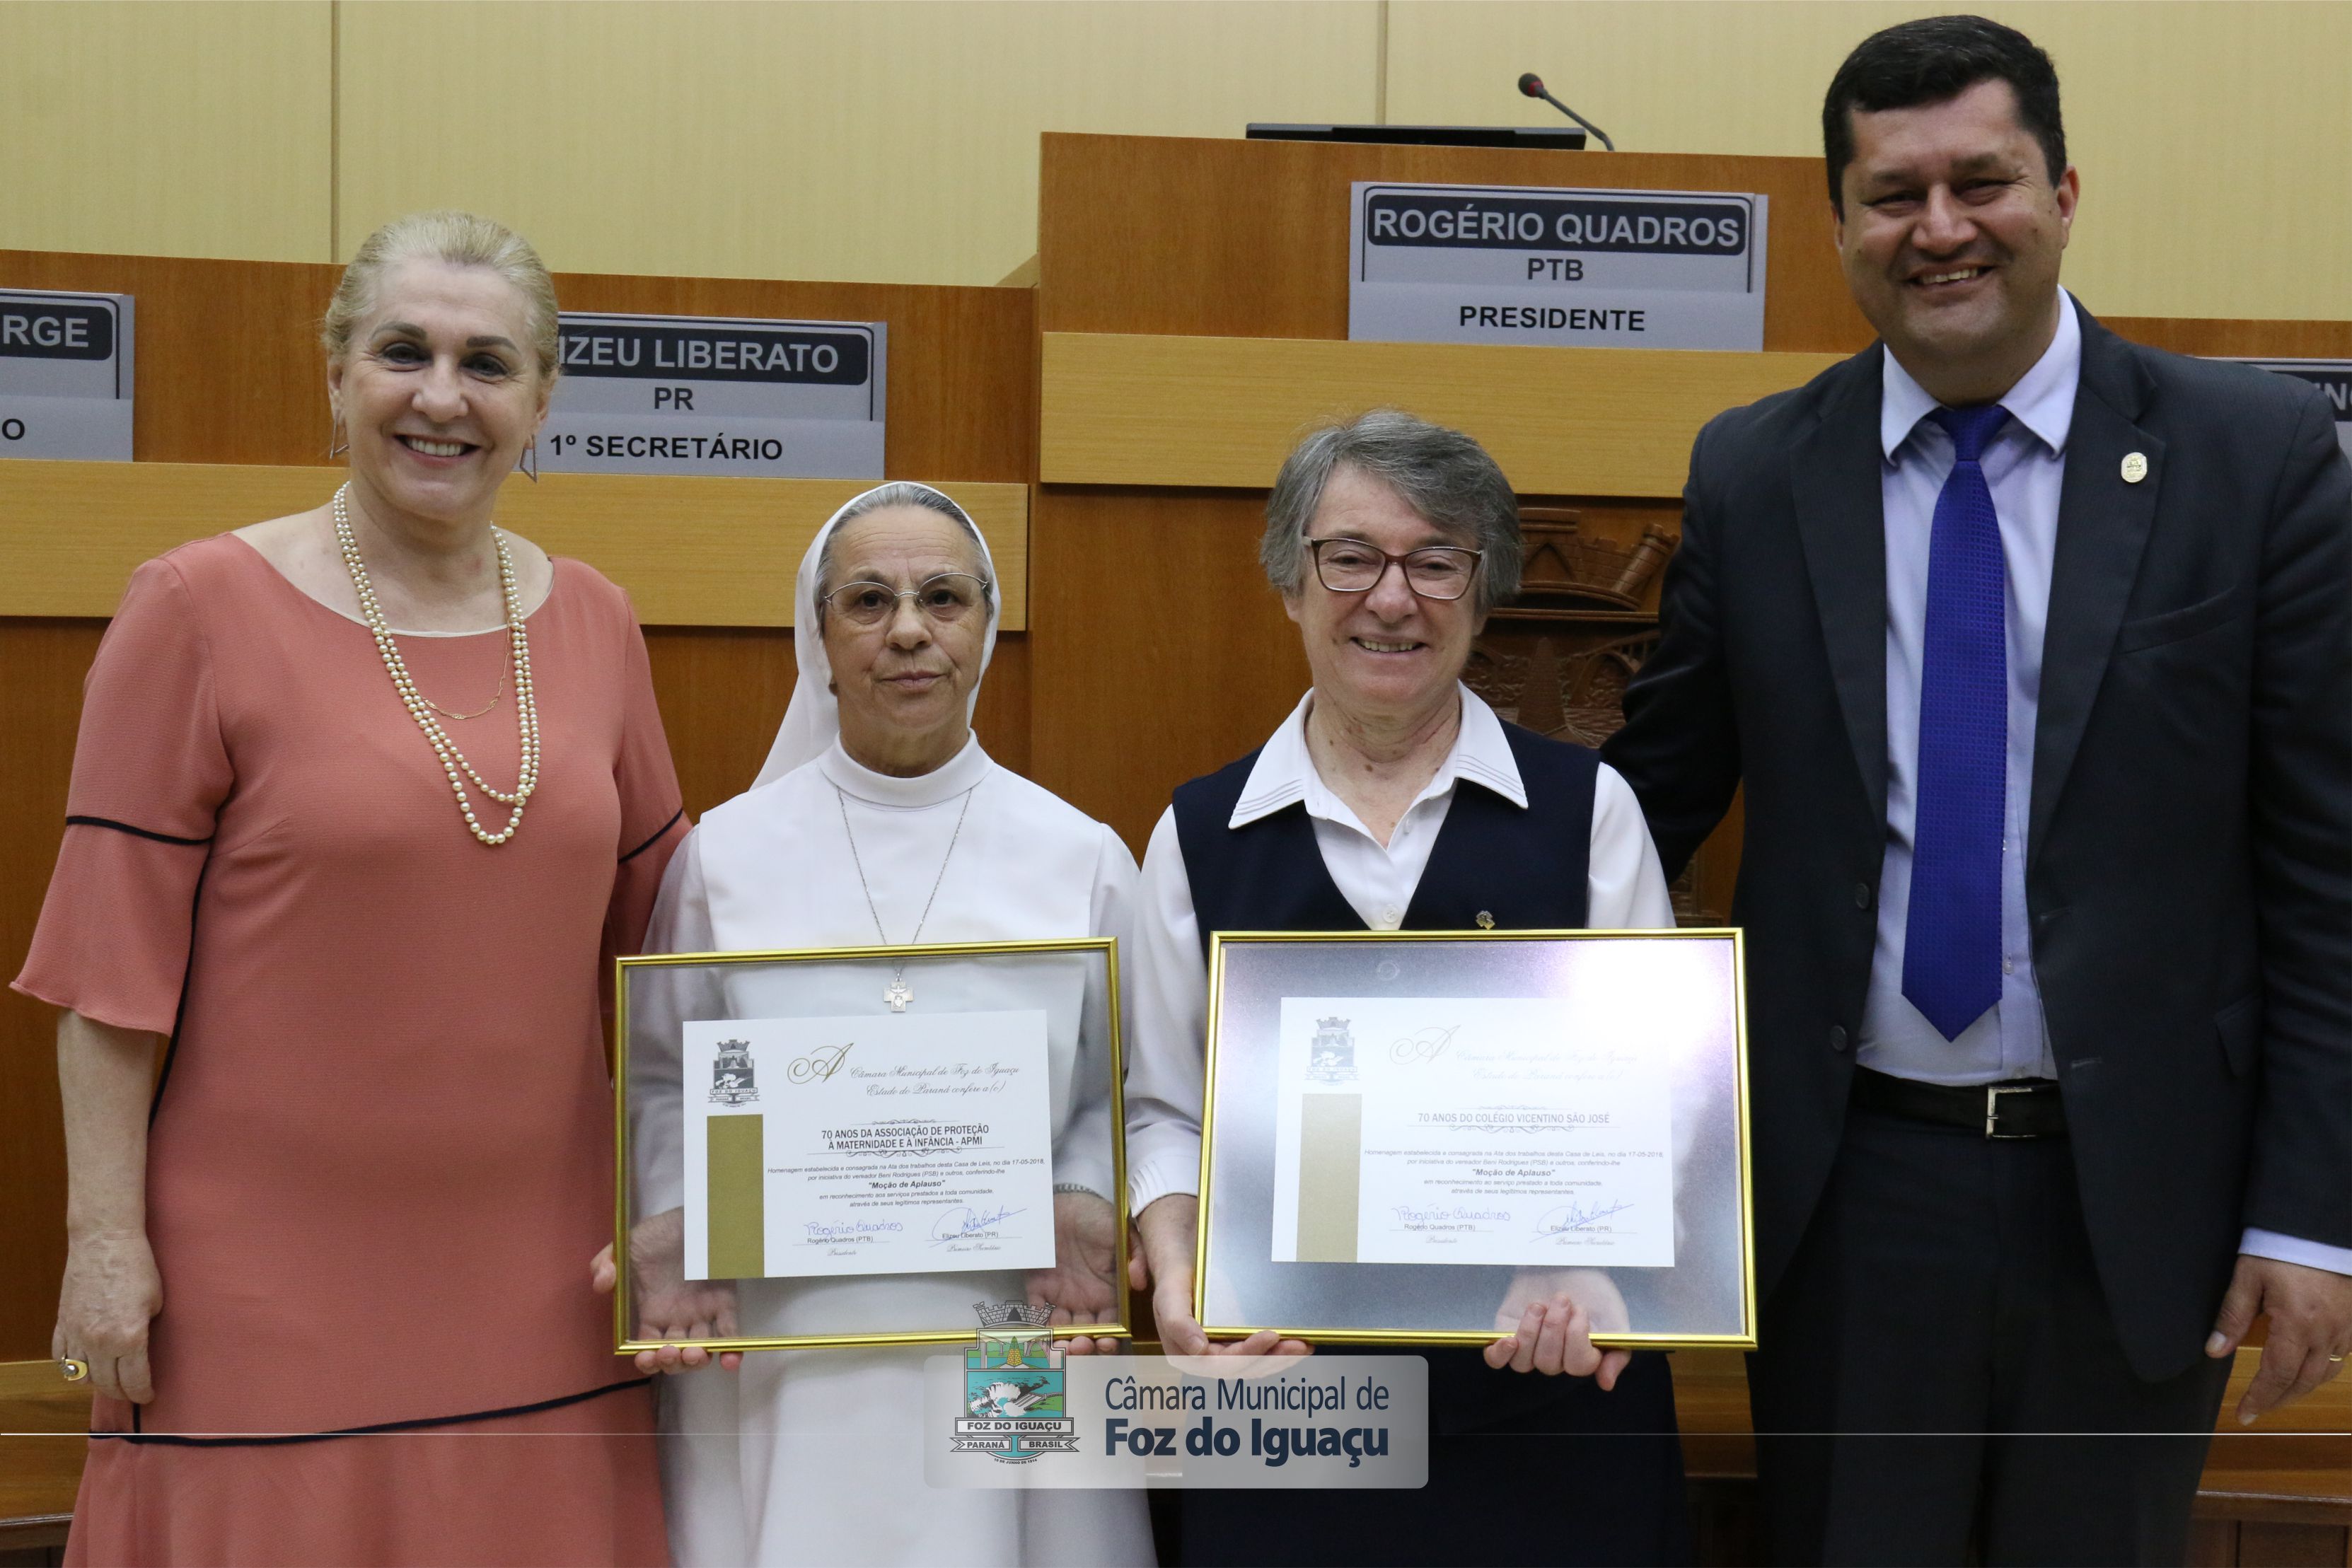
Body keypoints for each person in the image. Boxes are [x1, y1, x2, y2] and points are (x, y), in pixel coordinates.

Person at [1601, 16, 2352, 1564]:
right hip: (1844, 1191)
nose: (1938, 229)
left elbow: (2328, 870)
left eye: (1980, 181)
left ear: (2064, 190)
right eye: (1892, 194)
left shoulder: (2251, 455)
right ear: (1837, 224)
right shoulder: (1753, 470)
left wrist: (2307, 1215)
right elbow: (1646, 802)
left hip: (2136, 1200)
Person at [14, 211, 686, 1563]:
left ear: (542, 401)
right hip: (258, 1295)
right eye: (402, 353)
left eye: (488, 363)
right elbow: (105, 975)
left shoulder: (599, 620)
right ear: (336, 379)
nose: (442, 397)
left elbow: (670, 948)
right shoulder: (194, 607)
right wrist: (104, 1242)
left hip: (543, 1282)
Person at [1124, 410, 1692, 1567]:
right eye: (1351, 557)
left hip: (1551, 1392)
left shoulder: (1592, 811)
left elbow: (1666, 1095)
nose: (1393, 597)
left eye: (1436, 561)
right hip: (1291, 1407)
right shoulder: (1196, 835)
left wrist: (1594, 1256)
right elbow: (1166, 1111)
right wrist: (1184, 1287)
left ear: (1483, 596)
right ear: (1289, 581)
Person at [613, 481, 1154, 1567]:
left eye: (941, 596)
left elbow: (1125, 1084)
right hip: (783, 1331)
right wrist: (674, 1219)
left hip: (1011, 1322)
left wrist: (1089, 1198)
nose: (907, 628)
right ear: (818, 633)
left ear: (986, 628)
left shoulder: (1081, 854)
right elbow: (667, 1077)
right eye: (867, 599)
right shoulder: (727, 851)